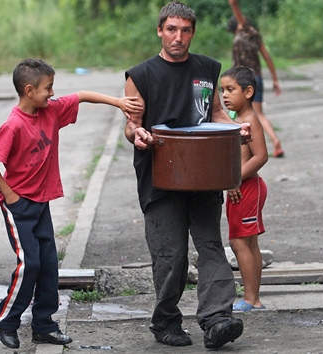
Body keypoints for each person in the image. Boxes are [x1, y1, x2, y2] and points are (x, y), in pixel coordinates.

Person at [0, 58, 142, 349]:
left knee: (49, 265)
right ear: (29, 91)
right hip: (18, 206)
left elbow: (81, 95)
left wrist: (118, 101)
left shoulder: (51, 111)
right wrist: (9, 193)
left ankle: (44, 324)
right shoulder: (14, 124)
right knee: (29, 264)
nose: (52, 94)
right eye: (48, 88)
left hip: (41, 203)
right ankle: (6, 319)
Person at [123, 1, 246, 349]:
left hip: (205, 173)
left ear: (193, 32)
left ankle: (217, 318)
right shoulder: (141, 75)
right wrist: (139, 135)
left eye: (185, 30)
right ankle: (165, 321)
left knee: (210, 246)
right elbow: (131, 125)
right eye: (172, 29)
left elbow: (217, 113)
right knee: (171, 255)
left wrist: (238, 127)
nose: (178, 37)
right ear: (160, 31)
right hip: (160, 178)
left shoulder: (207, 68)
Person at [220, 66, 269, 313]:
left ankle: (252, 299)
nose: (225, 95)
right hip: (239, 188)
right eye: (222, 90)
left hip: (246, 188)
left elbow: (261, 156)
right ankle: (253, 296)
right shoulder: (234, 117)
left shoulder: (250, 120)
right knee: (247, 243)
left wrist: (235, 179)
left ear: (248, 91)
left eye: (231, 89)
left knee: (240, 243)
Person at [228, 0, 284, 158]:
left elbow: (234, 5)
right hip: (257, 78)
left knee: (240, 114)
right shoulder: (255, 36)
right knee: (258, 113)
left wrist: (233, 4)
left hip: (243, 80)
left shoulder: (244, 30)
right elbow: (267, 58)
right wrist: (275, 80)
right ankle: (274, 140)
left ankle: (248, 149)